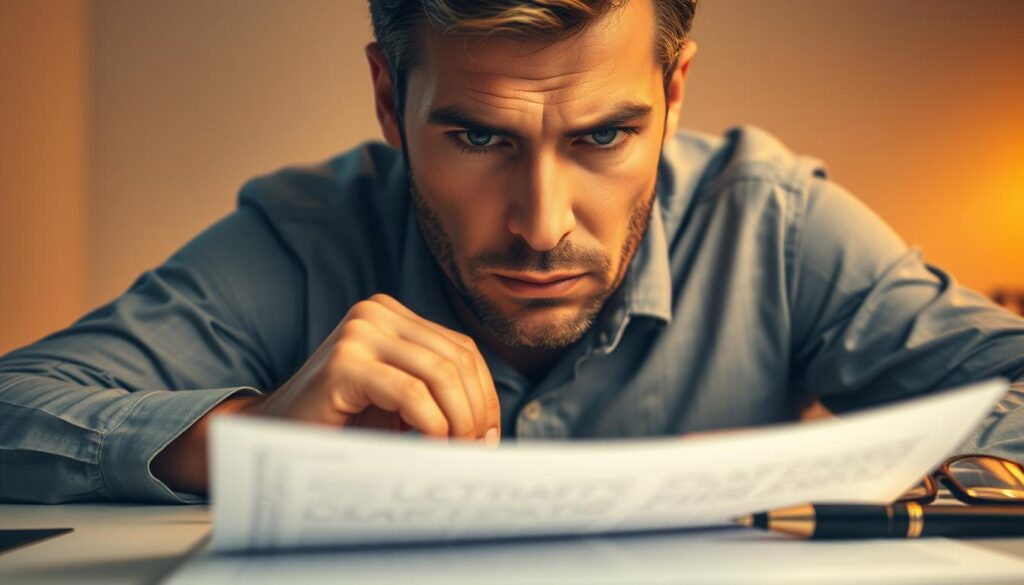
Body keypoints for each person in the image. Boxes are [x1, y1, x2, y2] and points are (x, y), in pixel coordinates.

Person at [2, 0, 1023, 504]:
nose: (541, 225)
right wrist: (257, 441)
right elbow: (16, 408)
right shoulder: (304, 235)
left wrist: (769, 474)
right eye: (479, 138)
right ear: (385, 100)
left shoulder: (775, 224)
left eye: (602, 137)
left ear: (674, 92)